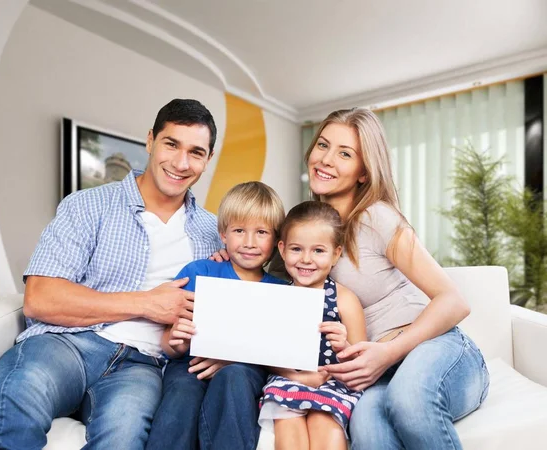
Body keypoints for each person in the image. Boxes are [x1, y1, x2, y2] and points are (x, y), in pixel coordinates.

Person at [0, 99, 223, 450]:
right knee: (20, 389)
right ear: (151, 140)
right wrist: (147, 304)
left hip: (144, 366)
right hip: (66, 344)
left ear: (208, 159)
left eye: (196, 152)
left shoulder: (215, 232)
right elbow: (39, 300)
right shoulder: (86, 205)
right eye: (171, 144)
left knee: (124, 435)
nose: (181, 163)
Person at [299, 107, 490, 450]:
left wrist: (386, 353)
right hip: (378, 375)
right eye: (323, 145)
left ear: (363, 172)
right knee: (368, 434)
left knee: (407, 399)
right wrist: (227, 257)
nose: (326, 159)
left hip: (437, 351)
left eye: (345, 153)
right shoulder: (309, 231)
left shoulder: (376, 217)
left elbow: (454, 301)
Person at [146, 181, 286, 450]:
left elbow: (278, 353)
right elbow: (168, 344)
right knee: (182, 393)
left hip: (244, 371)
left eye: (261, 232)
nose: (249, 242)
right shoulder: (200, 272)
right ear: (223, 234)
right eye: (239, 231)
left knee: (234, 378)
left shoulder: (280, 291)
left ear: (276, 241)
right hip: (190, 365)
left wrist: (232, 356)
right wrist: (176, 341)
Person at [259, 201, 367, 450]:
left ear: (336, 253)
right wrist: (298, 376)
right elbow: (264, 354)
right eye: (297, 249)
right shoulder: (276, 298)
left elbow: (362, 362)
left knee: (325, 427)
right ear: (282, 250)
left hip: (334, 383)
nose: (306, 260)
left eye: (318, 251)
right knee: (288, 431)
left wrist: (344, 346)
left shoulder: (345, 299)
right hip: (288, 380)